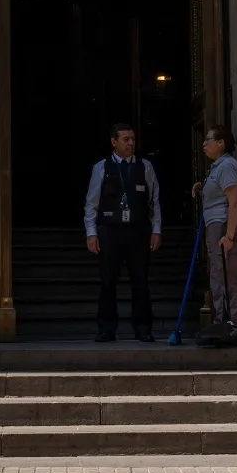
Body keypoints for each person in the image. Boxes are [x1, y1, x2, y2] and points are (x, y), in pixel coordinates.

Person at [83, 123, 163, 341]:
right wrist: (91, 233)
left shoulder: (145, 167)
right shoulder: (101, 167)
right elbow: (92, 204)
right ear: (114, 142)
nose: (130, 143)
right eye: (126, 139)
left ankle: (143, 328)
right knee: (108, 281)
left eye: (133, 139)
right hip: (110, 231)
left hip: (138, 231)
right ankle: (106, 328)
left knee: (141, 281)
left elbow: (154, 201)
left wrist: (156, 230)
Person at [192, 125, 237, 347]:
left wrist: (229, 235)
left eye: (208, 140)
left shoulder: (226, 166)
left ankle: (236, 326)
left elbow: (233, 201)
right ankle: (221, 323)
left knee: (230, 277)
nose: (204, 144)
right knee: (218, 276)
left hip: (225, 225)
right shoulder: (217, 168)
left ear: (221, 142)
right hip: (216, 224)